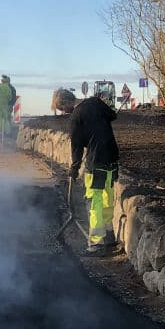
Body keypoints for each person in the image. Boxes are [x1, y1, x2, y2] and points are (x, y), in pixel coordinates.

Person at [68, 83, 119, 254]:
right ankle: (109, 236)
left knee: (94, 200)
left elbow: (76, 146)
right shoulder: (96, 103)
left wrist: (74, 168)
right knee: (107, 196)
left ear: (66, 104)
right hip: (111, 158)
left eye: (62, 109)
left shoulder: (76, 115)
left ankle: (97, 242)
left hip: (96, 162)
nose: (64, 112)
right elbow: (113, 115)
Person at [0, 74, 17, 143]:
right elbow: (12, 98)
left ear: (3, 80)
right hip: (8, 107)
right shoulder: (11, 88)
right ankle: (7, 133)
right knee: (7, 119)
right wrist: (10, 105)